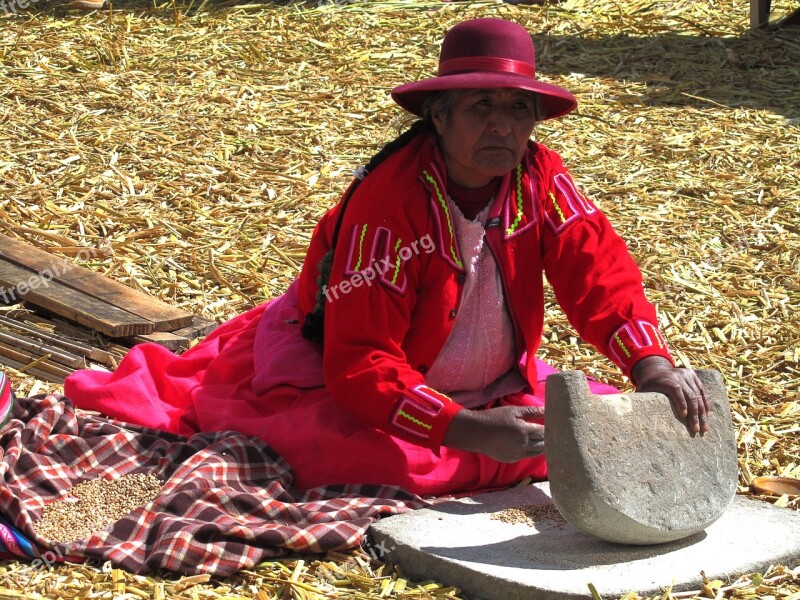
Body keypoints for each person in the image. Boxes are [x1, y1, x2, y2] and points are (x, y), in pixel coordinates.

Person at [63, 18, 709, 497]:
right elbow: (360, 360)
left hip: (493, 383)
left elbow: (596, 266)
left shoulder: (539, 177)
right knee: (354, 459)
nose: (503, 128)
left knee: (594, 421)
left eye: (519, 110)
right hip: (359, 371)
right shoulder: (389, 205)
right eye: (482, 107)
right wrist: (466, 430)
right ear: (439, 115)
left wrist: (649, 365)